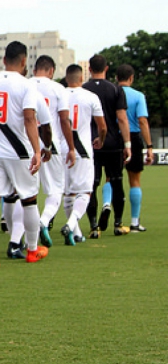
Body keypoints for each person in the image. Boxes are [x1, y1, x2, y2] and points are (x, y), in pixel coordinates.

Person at [0, 41, 45, 267]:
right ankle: (32, 250)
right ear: (24, 61)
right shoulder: (27, 85)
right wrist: (36, 149)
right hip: (19, 151)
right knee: (29, 200)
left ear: (4, 60)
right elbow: (29, 118)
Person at [83, 55, 131, 237]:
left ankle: (94, 226)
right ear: (107, 68)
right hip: (112, 144)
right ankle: (118, 224)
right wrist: (127, 143)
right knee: (117, 182)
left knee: (92, 185)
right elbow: (122, 118)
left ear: (89, 68)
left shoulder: (83, 89)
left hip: (91, 144)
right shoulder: (116, 90)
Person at [31, 56, 76, 247]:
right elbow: (64, 120)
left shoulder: (26, 84)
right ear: (51, 71)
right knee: (56, 191)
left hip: (28, 142)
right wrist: (72, 148)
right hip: (51, 144)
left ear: (34, 70)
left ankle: (17, 238)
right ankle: (43, 222)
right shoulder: (58, 89)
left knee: (25, 193)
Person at [59, 64, 106, 245]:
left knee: (68, 193)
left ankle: (76, 234)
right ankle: (71, 225)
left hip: (63, 148)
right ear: (81, 78)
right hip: (82, 149)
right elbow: (102, 126)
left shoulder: (59, 94)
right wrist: (100, 139)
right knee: (85, 192)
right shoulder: (90, 97)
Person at [116, 63, 153, 232]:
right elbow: (143, 121)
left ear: (116, 78)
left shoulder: (112, 93)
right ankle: (135, 222)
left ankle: (106, 219)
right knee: (134, 181)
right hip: (133, 138)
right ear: (131, 78)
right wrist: (150, 146)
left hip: (113, 138)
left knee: (111, 178)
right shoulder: (138, 95)